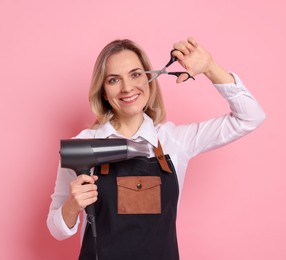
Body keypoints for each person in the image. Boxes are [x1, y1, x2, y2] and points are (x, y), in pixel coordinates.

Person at [47, 37, 265, 260]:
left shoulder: (175, 141)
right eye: (114, 80)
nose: (127, 88)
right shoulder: (83, 146)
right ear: (103, 91)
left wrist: (210, 67)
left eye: (135, 74)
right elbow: (56, 229)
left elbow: (250, 117)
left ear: (150, 80)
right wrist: (72, 206)